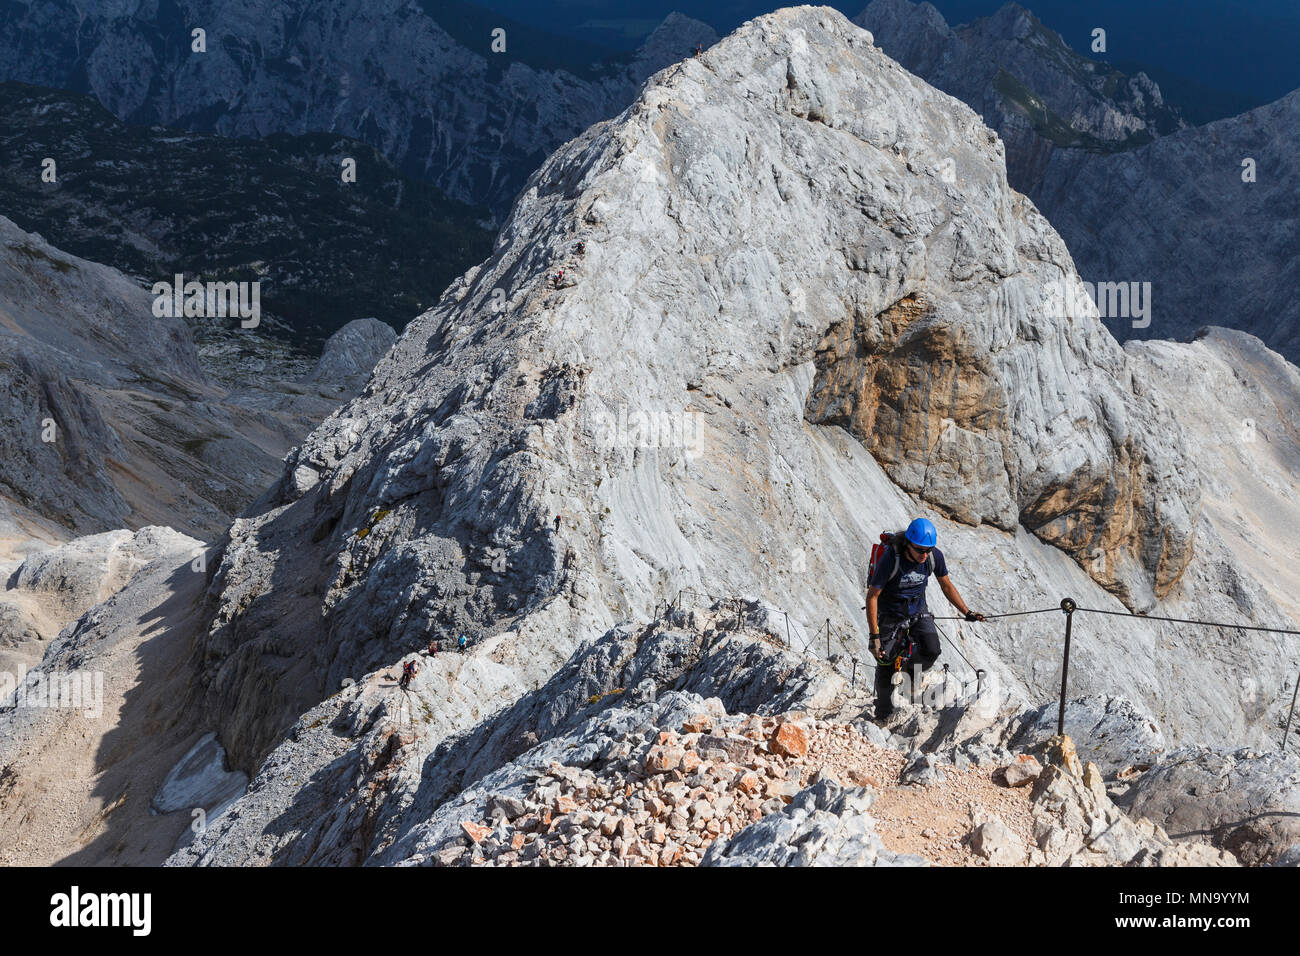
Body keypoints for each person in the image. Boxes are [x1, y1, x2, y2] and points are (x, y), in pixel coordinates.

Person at [865, 517, 983, 720]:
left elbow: (946, 585)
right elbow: (872, 596)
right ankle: (883, 714)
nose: (924, 554)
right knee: (885, 663)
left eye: (928, 550)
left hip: (918, 610)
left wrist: (966, 611)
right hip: (890, 614)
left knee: (932, 649)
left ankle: (909, 674)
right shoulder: (892, 559)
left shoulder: (933, 557)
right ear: (908, 544)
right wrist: (874, 636)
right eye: (920, 550)